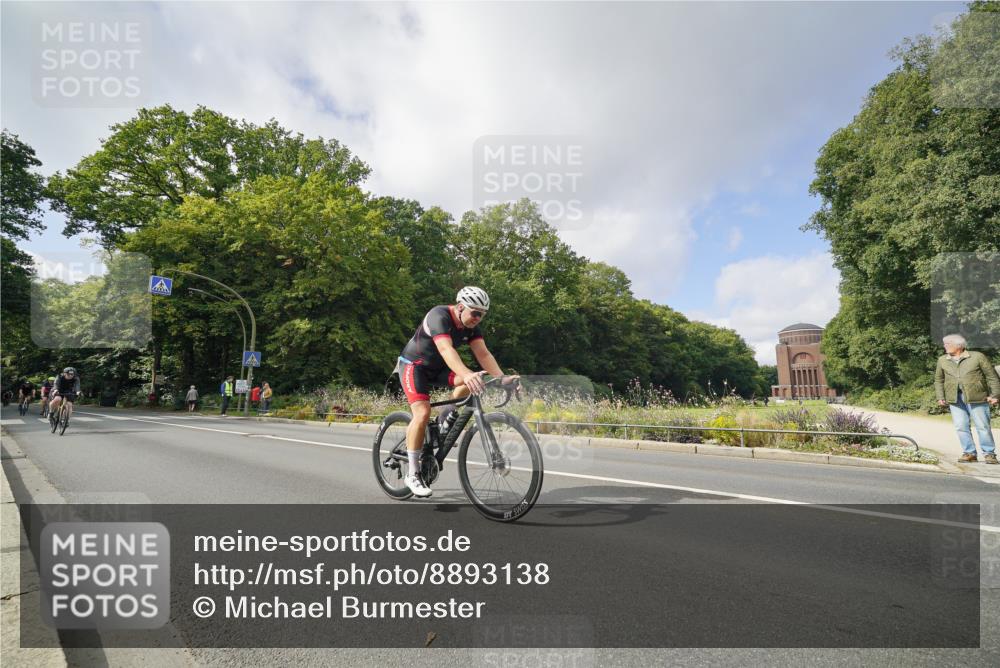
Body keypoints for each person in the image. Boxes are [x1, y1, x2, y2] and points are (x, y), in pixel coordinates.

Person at [396, 286, 518, 498]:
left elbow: (484, 354)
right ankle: (413, 474)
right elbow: (446, 349)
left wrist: (502, 378)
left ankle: (445, 418)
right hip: (414, 366)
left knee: (474, 379)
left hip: (439, 369)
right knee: (422, 413)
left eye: (482, 315)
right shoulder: (439, 315)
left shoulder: (471, 326)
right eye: (475, 313)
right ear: (461, 307)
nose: (478, 319)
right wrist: (466, 373)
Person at [935, 334, 1000, 464]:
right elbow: (939, 380)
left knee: (983, 426)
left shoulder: (977, 357)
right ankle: (969, 453)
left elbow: (992, 376)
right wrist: (940, 397)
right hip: (955, 399)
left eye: (948, 344)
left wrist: (995, 395)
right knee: (961, 426)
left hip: (977, 397)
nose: (945, 346)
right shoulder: (942, 360)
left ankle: (989, 454)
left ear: (958, 345)